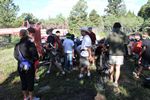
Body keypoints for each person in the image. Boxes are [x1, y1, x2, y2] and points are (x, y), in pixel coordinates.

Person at [14, 29, 39, 100]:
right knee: (30, 80)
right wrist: (31, 61)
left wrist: (22, 61)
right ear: (27, 34)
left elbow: (15, 56)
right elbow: (35, 56)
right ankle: (31, 98)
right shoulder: (30, 44)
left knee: (23, 81)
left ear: (20, 35)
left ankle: (25, 97)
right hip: (29, 65)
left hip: (20, 65)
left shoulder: (17, 45)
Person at [107, 22, 127, 87]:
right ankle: (115, 82)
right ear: (120, 27)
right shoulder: (123, 34)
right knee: (118, 68)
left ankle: (110, 79)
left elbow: (106, 43)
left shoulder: (110, 34)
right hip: (120, 54)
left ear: (114, 27)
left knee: (111, 67)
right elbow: (127, 42)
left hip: (112, 53)